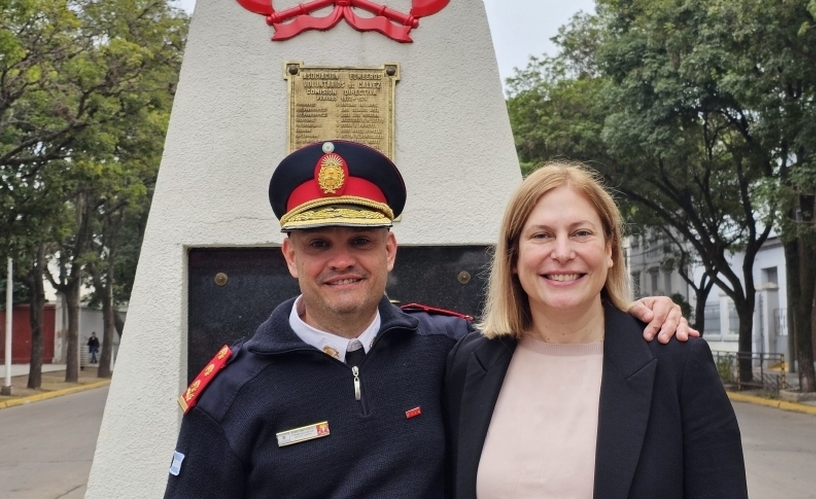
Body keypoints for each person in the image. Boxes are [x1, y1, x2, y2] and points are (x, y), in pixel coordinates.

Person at [164, 141, 693, 498]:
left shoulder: (451, 349)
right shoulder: (230, 394)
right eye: (319, 244)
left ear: (390, 250)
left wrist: (638, 313)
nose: (342, 260)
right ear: (290, 257)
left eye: (362, 242)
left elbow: (555, 329)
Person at [444, 162, 748, 499]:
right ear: (514, 258)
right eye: (541, 235)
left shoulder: (677, 363)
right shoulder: (469, 363)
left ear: (609, 251)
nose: (562, 253)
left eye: (581, 233)